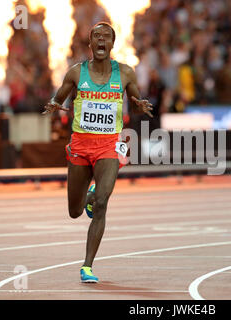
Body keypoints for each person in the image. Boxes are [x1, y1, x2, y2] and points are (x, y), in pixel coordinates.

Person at [42, 22, 153, 283]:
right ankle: (88, 195)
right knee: (74, 211)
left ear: (112, 44)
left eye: (107, 36)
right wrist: (55, 104)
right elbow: (59, 97)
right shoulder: (75, 73)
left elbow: (136, 104)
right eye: (96, 36)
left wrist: (139, 104)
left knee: (102, 203)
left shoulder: (125, 73)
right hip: (81, 146)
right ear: (90, 43)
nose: (101, 40)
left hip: (108, 145)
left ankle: (87, 266)